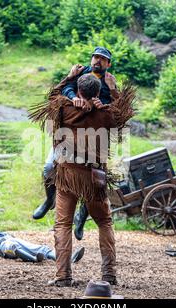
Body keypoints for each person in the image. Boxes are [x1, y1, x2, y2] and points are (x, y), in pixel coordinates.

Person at [29, 73, 135, 287]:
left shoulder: (65, 108)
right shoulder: (106, 114)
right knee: (104, 222)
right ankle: (109, 275)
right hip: (94, 178)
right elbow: (125, 112)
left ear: (79, 91)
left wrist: (68, 80)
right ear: (98, 93)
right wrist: (112, 89)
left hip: (67, 175)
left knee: (63, 224)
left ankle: (63, 276)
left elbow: (52, 96)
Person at [32, 47, 119, 242]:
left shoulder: (110, 82)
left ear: (108, 64)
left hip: (94, 140)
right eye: (96, 57)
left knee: (93, 182)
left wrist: (99, 104)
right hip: (68, 138)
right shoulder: (79, 72)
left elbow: (117, 111)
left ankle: (81, 217)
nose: (98, 61)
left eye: (103, 59)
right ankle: (49, 200)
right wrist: (75, 98)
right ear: (91, 58)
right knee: (48, 167)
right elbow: (64, 89)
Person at [0, 229, 85, 264]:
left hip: (9, 239)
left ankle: (69, 259)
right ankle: (34, 259)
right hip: (3, 245)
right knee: (13, 246)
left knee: (40, 248)